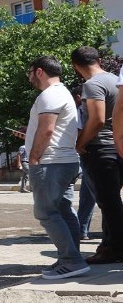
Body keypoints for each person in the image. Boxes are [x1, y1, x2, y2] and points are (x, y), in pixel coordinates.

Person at [26, 55, 89, 279]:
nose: (29, 77)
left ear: (40, 71)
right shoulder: (61, 93)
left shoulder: (50, 95)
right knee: (63, 210)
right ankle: (71, 258)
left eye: (30, 72)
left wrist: (34, 158)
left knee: (45, 212)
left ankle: (71, 261)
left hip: (51, 162)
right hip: (64, 161)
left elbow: (47, 130)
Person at [72, 46, 123, 264]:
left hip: (101, 148)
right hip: (118, 146)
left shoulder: (92, 85)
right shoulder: (114, 79)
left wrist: (80, 143)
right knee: (113, 201)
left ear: (75, 66)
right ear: (99, 60)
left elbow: (98, 119)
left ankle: (116, 249)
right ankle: (109, 245)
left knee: (108, 202)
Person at [71, 85, 96, 241]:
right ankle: (82, 229)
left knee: (94, 195)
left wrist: (78, 146)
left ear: (78, 97)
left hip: (91, 154)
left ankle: (82, 229)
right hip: (97, 154)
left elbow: (78, 131)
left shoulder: (82, 109)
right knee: (90, 194)